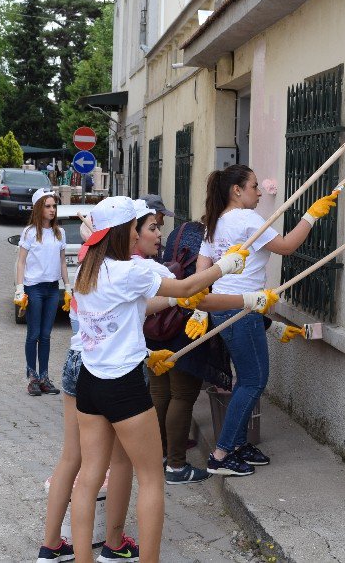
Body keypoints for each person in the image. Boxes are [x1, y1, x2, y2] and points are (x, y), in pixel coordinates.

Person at [69, 196, 248, 563]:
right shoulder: (132, 271)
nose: (141, 233)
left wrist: (170, 304)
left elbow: (136, 306)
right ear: (123, 232)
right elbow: (184, 288)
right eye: (137, 227)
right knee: (151, 478)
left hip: (90, 384)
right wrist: (223, 267)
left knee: (88, 477)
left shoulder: (88, 270)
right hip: (124, 387)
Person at [194, 164, 337, 477]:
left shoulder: (215, 221)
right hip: (242, 308)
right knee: (254, 380)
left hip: (223, 305)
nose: (259, 193)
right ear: (237, 190)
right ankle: (221, 454)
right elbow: (286, 247)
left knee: (245, 378)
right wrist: (311, 216)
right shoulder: (246, 219)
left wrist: (201, 306)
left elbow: (201, 269)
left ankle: (240, 445)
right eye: (254, 186)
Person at [36, 220, 139, 563]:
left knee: (71, 456)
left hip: (75, 360)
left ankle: (51, 546)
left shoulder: (89, 261)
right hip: (104, 368)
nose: (149, 235)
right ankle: (114, 543)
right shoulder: (127, 270)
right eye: (145, 227)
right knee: (119, 460)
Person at [135, 203, 210, 485]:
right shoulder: (210, 239)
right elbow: (191, 290)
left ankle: (160, 455)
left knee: (160, 391)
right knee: (182, 394)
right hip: (184, 324)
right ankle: (176, 466)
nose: (158, 232)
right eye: (152, 226)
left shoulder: (181, 231)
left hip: (155, 325)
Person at [15, 189, 69, 396]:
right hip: (34, 288)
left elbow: (63, 262)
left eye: (54, 206)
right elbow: (20, 262)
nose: (52, 210)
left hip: (52, 288)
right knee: (34, 334)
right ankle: (32, 378)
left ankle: (44, 377)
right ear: (39, 208)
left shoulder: (59, 233)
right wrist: (20, 289)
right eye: (47, 206)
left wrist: (68, 287)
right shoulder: (29, 232)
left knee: (46, 335)